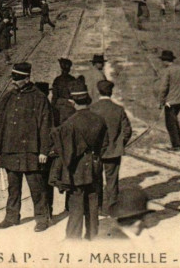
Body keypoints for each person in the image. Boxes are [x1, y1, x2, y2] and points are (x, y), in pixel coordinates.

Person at [0, 62, 53, 232]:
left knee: (37, 187)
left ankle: (42, 218)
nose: (14, 81)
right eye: (13, 77)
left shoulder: (39, 98)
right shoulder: (10, 96)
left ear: (27, 79)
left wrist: (44, 150)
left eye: (18, 79)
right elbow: (1, 123)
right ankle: (12, 217)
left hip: (30, 151)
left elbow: (45, 125)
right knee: (13, 187)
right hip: (10, 149)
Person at [50, 79, 108, 240]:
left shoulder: (70, 123)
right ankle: (92, 235)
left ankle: (73, 238)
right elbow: (105, 145)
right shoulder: (99, 120)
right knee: (93, 203)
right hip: (95, 166)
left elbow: (67, 153)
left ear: (72, 102)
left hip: (78, 170)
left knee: (76, 205)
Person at [90, 80, 132, 217]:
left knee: (96, 180)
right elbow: (127, 131)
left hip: (95, 152)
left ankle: (98, 208)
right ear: (111, 92)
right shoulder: (118, 109)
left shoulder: (92, 108)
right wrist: (119, 144)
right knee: (112, 181)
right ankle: (112, 208)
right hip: (113, 152)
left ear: (98, 92)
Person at [155, 50, 180, 151]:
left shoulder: (167, 71)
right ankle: (179, 139)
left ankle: (177, 145)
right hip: (179, 101)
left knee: (170, 123)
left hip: (170, 102)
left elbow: (163, 88)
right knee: (174, 120)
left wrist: (161, 101)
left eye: (162, 60)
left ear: (165, 61)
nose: (162, 63)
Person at [51, 58, 77, 126]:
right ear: (69, 69)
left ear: (61, 69)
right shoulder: (73, 79)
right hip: (70, 107)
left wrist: (52, 108)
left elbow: (54, 97)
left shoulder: (57, 80)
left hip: (59, 108)